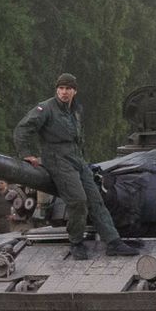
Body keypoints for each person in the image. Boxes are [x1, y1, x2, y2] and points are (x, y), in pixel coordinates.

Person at [13, 72, 139, 258]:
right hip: (57, 159)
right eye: (61, 88)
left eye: (68, 89)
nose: (64, 92)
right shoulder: (46, 108)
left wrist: (82, 159)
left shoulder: (75, 111)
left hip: (77, 159)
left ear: (74, 91)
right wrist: (26, 154)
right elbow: (22, 129)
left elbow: (78, 139)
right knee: (78, 201)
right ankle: (76, 242)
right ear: (57, 90)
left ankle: (113, 242)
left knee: (96, 200)